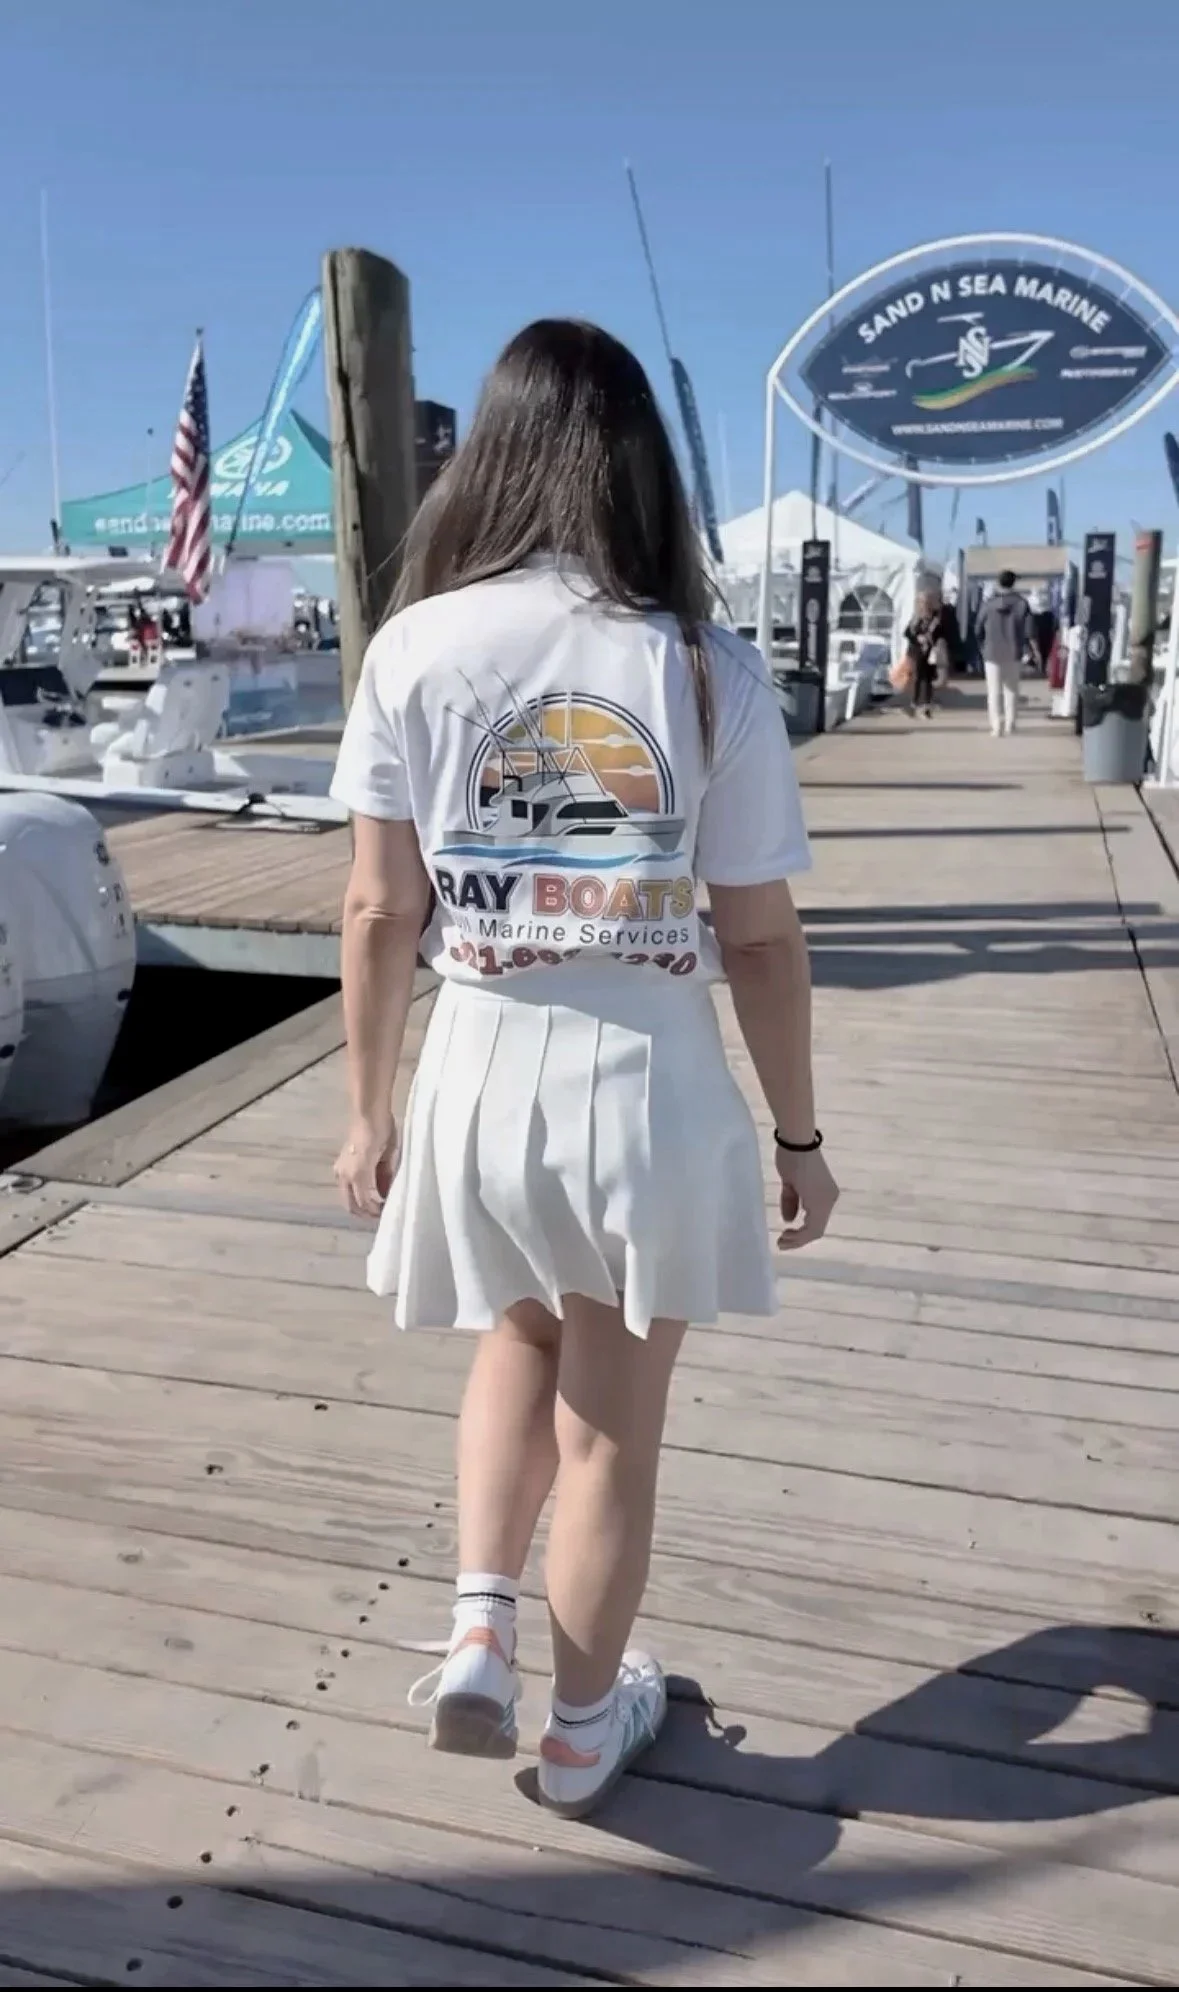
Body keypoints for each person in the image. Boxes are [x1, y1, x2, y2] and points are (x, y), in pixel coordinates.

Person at [329, 319, 839, 1822]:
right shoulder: (701, 667)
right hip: (643, 1073)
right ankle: (576, 1733)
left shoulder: (413, 646)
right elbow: (759, 939)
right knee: (611, 1420)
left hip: (477, 1058)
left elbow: (379, 910)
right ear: (636, 469)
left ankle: (480, 1625)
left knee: (518, 1333)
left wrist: (367, 1109)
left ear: (486, 455)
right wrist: (798, 1138)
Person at [977, 569, 1036, 735]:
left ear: (998, 583)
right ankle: (1011, 723)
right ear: (1014, 583)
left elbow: (978, 628)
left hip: (991, 651)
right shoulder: (1022, 603)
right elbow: (1029, 630)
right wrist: (1031, 649)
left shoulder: (988, 604)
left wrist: (983, 646)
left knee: (993, 691)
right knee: (1012, 690)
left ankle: (996, 725)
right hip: (1014, 651)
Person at [902, 588, 958, 719]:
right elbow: (907, 633)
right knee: (917, 678)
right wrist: (918, 638)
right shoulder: (916, 618)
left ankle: (925, 705)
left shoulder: (936, 617)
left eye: (926, 602)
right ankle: (915, 704)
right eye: (922, 602)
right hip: (917, 652)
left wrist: (935, 640)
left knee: (927, 679)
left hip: (930, 652)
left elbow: (943, 633)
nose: (924, 605)